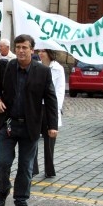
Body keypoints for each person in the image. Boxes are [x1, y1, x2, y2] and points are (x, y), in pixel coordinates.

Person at [0, 34, 58, 206]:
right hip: (9, 124)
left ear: (32, 50)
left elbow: (51, 99)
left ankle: (21, 201)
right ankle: (3, 189)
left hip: (30, 127)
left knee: (25, 167)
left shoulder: (43, 72)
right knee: (2, 162)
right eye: (18, 47)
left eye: (24, 47)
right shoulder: (8, 66)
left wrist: (52, 125)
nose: (21, 50)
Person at [33, 49, 65, 178]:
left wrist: (55, 108)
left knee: (50, 140)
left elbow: (60, 90)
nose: (40, 53)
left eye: (43, 51)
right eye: (39, 51)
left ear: (50, 53)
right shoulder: (36, 66)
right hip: (36, 107)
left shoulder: (58, 68)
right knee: (33, 138)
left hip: (50, 107)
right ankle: (33, 167)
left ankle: (49, 169)